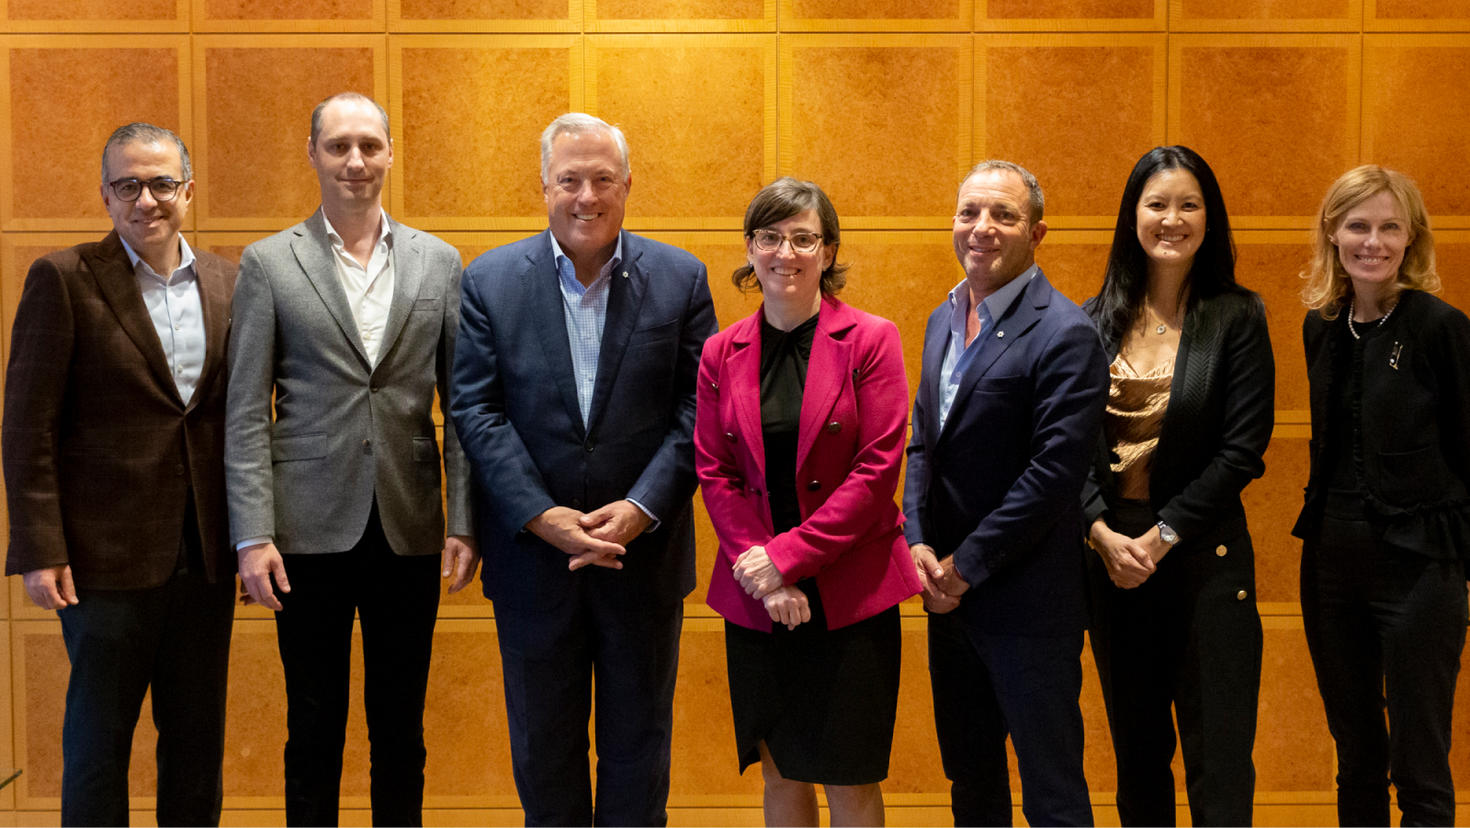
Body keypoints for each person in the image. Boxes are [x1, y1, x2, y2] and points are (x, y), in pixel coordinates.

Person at [450, 112, 717, 826]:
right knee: (544, 750)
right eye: (570, 179)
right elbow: (475, 411)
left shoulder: (682, 279)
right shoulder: (491, 281)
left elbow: (701, 411)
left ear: (629, 185)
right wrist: (541, 515)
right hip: (534, 561)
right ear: (544, 187)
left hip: (643, 557)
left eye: (603, 179)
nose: (587, 196)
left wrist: (642, 508)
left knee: (639, 748)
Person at [225, 92, 477, 827]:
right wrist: (252, 533)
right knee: (313, 728)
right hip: (303, 535)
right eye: (338, 146)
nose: (355, 160)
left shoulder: (440, 261)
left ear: (391, 153)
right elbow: (245, 409)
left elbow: (461, 409)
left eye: (370, 145)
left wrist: (464, 520)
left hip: (409, 526)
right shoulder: (269, 263)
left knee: (401, 728)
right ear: (312, 155)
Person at [2, 122, 237, 826]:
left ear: (188, 191)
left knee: (197, 745)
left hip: (205, 559)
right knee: (98, 745)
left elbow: (243, 418)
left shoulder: (231, 281)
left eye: (162, 183)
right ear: (105, 194)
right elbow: (26, 424)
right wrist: (41, 548)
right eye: (128, 184)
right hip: (101, 564)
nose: (147, 200)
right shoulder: (64, 278)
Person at [694, 177, 921, 826]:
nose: (784, 252)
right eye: (770, 237)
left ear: (827, 252)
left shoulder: (872, 341)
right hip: (756, 596)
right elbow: (716, 473)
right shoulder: (720, 352)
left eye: (802, 238)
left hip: (850, 593)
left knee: (849, 779)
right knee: (781, 773)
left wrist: (788, 560)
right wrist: (764, 578)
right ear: (750, 248)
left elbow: (877, 471)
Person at [903, 159, 1108, 826]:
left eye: (1003, 215)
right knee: (972, 783)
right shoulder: (942, 317)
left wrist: (965, 567)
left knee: (1051, 790)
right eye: (969, 213)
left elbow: (1053, 476)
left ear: (1037, 232)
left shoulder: (1068, 333)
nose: (981, 228)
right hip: (949, 598)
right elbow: (922, 445)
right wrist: (918, 544)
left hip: (1027, 603)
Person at [1080, 146, 1273, 826]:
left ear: (1209, 218)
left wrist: (1161, 536)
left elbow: (1241, 452)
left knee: (1219, 762)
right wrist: (1100, 531)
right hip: (1113, 564)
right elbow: (1068, 445)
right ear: (1132, 216)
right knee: (1136, 758)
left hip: (1203, 561)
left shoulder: (1238, 317)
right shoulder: (1091, 318)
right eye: (1156, 203)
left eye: (1188, 204)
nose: (1172, 218)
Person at [1294, 165, 1470, 827]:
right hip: (1332, 567)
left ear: (1411, 238)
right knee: (1357, 756)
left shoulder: (1439, 327)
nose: (1374, 241)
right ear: (1334, 235)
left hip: (1420, 567)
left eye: (1390, 226)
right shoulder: (1321, 328)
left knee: (1419, 764)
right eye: (1359, 225)